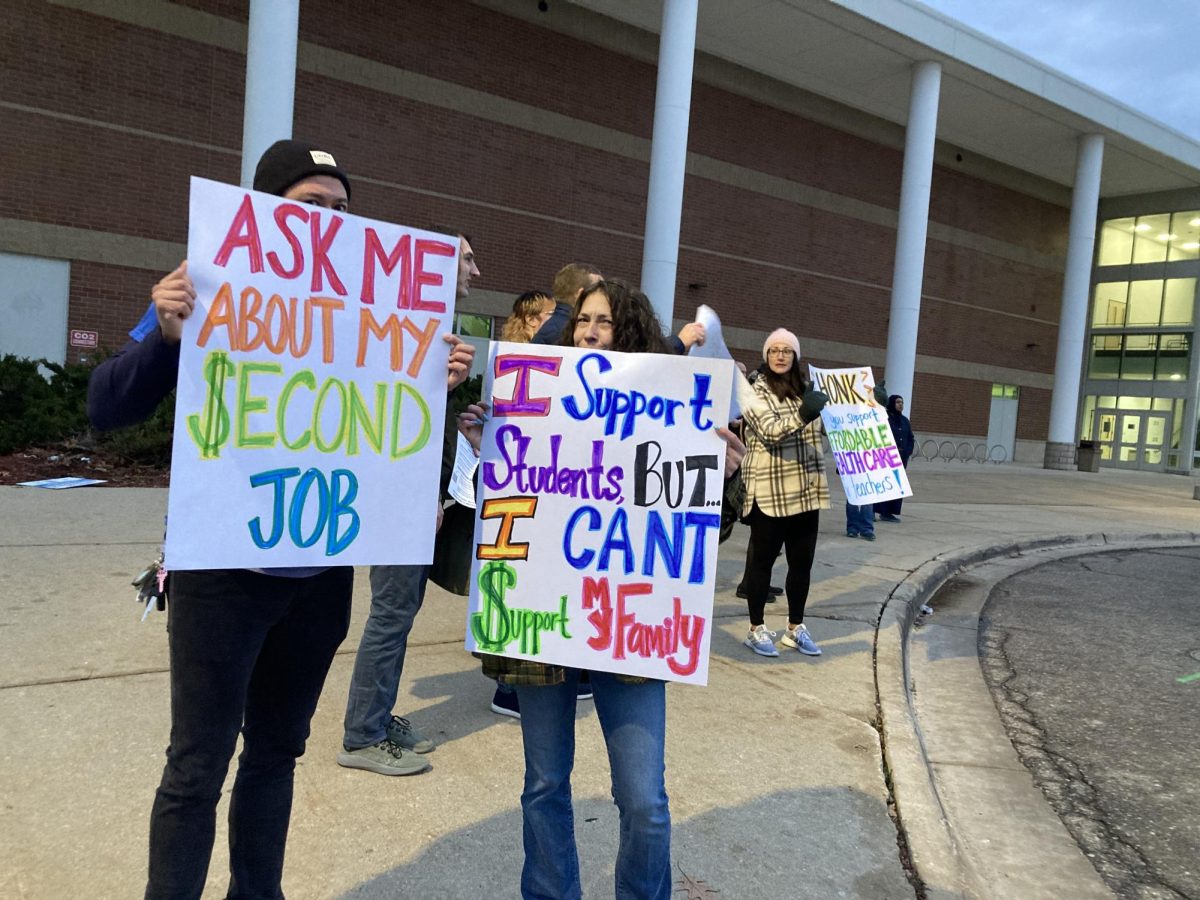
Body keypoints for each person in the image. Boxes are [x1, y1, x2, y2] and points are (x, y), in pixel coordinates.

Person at [87, 140, 475, 898]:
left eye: (340, 209)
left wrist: (439, 386)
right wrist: (163, 338)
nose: (328, 221)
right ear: (265, 212)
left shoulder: (375, 309)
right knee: (197, 765)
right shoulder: (203, 287)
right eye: (310, 205)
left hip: (317, 582)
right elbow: (107, 409)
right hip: (219, 576)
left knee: (276, 753)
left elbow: (388, 448)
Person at [462, 279, 741, 900]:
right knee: (543, 784)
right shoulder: (539, 402)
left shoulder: (672, 413)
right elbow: (507, 509)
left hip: (631, 631)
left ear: (633, 331)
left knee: (644, 800)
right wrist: (490, 453)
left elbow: (705, 532)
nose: (590, 329)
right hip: (541, 633)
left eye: (606, 322)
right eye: (584, 319)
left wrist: (720, 476)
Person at [338, 228, 481, 776]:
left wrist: (458, 422)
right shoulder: (403, 329)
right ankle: (362, 735)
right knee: (392, 612)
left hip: (420, 497)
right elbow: (386, 415)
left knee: (401, 612)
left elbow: (417, 418)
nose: (476, 269)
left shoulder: (431, 330)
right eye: (467, 258)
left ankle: (376, 715)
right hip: (399, 500)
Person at [738, 328, 830, 658]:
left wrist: (868, 406)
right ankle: (756, 628)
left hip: (807, 492)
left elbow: (830, 432)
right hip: (771, 492)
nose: (779, 356)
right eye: (774, 350)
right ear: (766, 356)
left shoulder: (807, 390)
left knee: (801, 565)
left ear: (795, 357)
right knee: (762, 564)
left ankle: (794, 628)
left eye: (786, 351)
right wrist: (805, 413)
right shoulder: (752, 391)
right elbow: (770, 432)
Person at [875, 394, 914, 523]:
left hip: (902, 458)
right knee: (886, 483)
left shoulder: (904, 420)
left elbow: (910, 438)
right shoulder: (885, 419)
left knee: (897, 485)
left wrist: (907, 452)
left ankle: (889, 512)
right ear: (892, 403)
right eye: (898, 402)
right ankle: (878, 510)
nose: (900, 405)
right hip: (888, 457)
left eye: (902, 402)